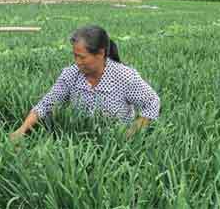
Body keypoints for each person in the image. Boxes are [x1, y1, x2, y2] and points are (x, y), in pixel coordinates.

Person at [10, 25, 160, 140]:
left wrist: (130, 134)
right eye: (75, 56)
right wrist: (21, 130)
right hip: (78, 139)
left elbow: (152, 102)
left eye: (82, 57)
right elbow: (46, 104)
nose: (77, 62)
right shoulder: (71, 74)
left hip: (114, 142)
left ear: (100, 53)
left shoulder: (124, 76)